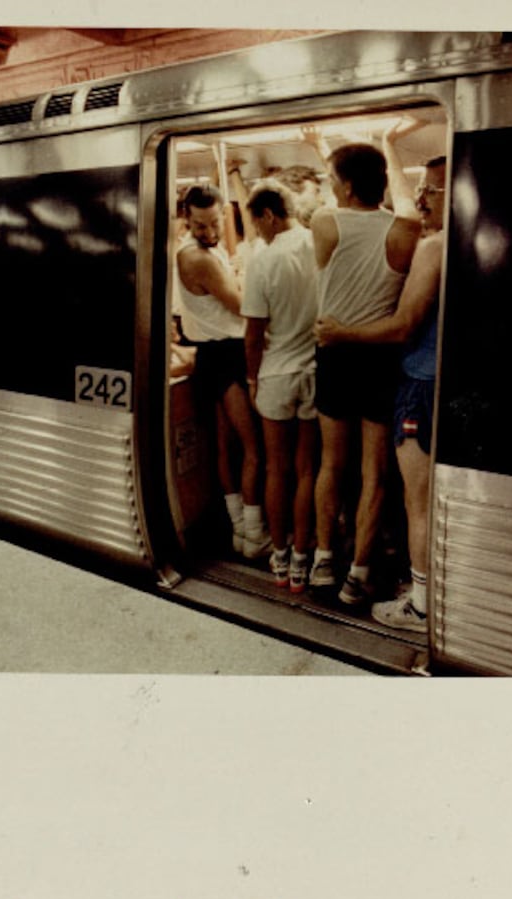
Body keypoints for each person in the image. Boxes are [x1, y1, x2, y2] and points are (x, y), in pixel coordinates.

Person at [314, 155, 447, 630]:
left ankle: (323, 560)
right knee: (376, 475)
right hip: (379, 364)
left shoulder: (323, 222)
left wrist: (340, 330)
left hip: (339, 347)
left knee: (332, 463)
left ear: (346, 186)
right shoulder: (408, 234)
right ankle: (359, 574)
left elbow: (403, 321)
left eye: (332, 180)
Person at [176, 183, 270, 558]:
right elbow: (242, 305)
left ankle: (239, 530)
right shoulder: (197, 258)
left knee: (225, 446)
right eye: (201, 225)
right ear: (187, 219)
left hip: (210, 357)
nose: (210, 233)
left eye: (215, 222)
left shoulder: (202, 251)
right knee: (252, 448)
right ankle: (253, 531)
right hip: (228, 357)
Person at [241, 180, 319, 592]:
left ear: (268, 215)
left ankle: (280, 557)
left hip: (276, 373)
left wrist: (252, 379)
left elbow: (253, 334)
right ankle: (303, 559)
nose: (257, 233)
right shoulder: (319, 243)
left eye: (256, 225)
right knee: (308, 470)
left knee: (276, 468)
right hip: (315, 371)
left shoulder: (264, 260)